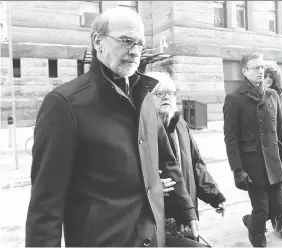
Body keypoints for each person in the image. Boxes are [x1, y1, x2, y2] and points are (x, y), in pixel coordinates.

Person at [25, 8, 198, 247]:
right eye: (126, 41)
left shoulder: (145, 97)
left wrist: (185, 211)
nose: (135, 51)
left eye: (140, 44)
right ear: (98, 41)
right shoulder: (64, 104)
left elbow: (167, 161)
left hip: (152, 236)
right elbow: (46, 204)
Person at [223, 53, 282, 247]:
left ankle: (251, 221)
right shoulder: (234, 98)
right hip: (252, 165)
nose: (261, 71)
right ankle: (258, 239)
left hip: (274, 162)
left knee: (278, 207)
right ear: (245, 71)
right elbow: (230, 138)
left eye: (262, 67)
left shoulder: (273, 96)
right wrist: (237, 169)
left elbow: (281, 131)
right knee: (261, 209)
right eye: (256, 68)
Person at [145, 71, 226, 238]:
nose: (166, 97)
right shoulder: (141, 130)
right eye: (160, 93)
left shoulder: (180, 125)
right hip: (157, 214)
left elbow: (196, 163)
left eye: (171, 93)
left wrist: (214, 195)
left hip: (187, 207)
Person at [264, 63, 282, 155]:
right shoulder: (256, 96)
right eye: (265, 76)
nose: (268, 79)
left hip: (277, 140)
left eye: (271, 77)